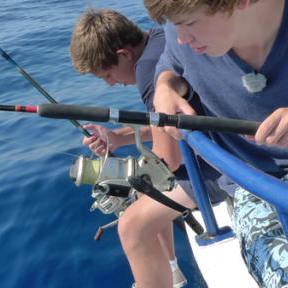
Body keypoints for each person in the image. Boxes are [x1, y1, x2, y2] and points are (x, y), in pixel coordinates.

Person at [130, 0, 288, 287]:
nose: (181, 37)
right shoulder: (180, 28)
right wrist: (165, 87)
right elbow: (171, 61)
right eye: (174, 25)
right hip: (253, 187)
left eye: (190, 24)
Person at [69, 8, 227, 288]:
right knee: (146, 186)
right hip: (223, 142)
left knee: (132, 226)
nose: (110, 83)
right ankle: (171, 272)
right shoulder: (156, 41)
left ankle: (162, 279)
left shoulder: (148, 73)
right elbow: (165, 124)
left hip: (221, 166)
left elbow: (170, 160)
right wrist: (118, 138)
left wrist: (127, 176)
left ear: (124, 54)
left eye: (107, 73)